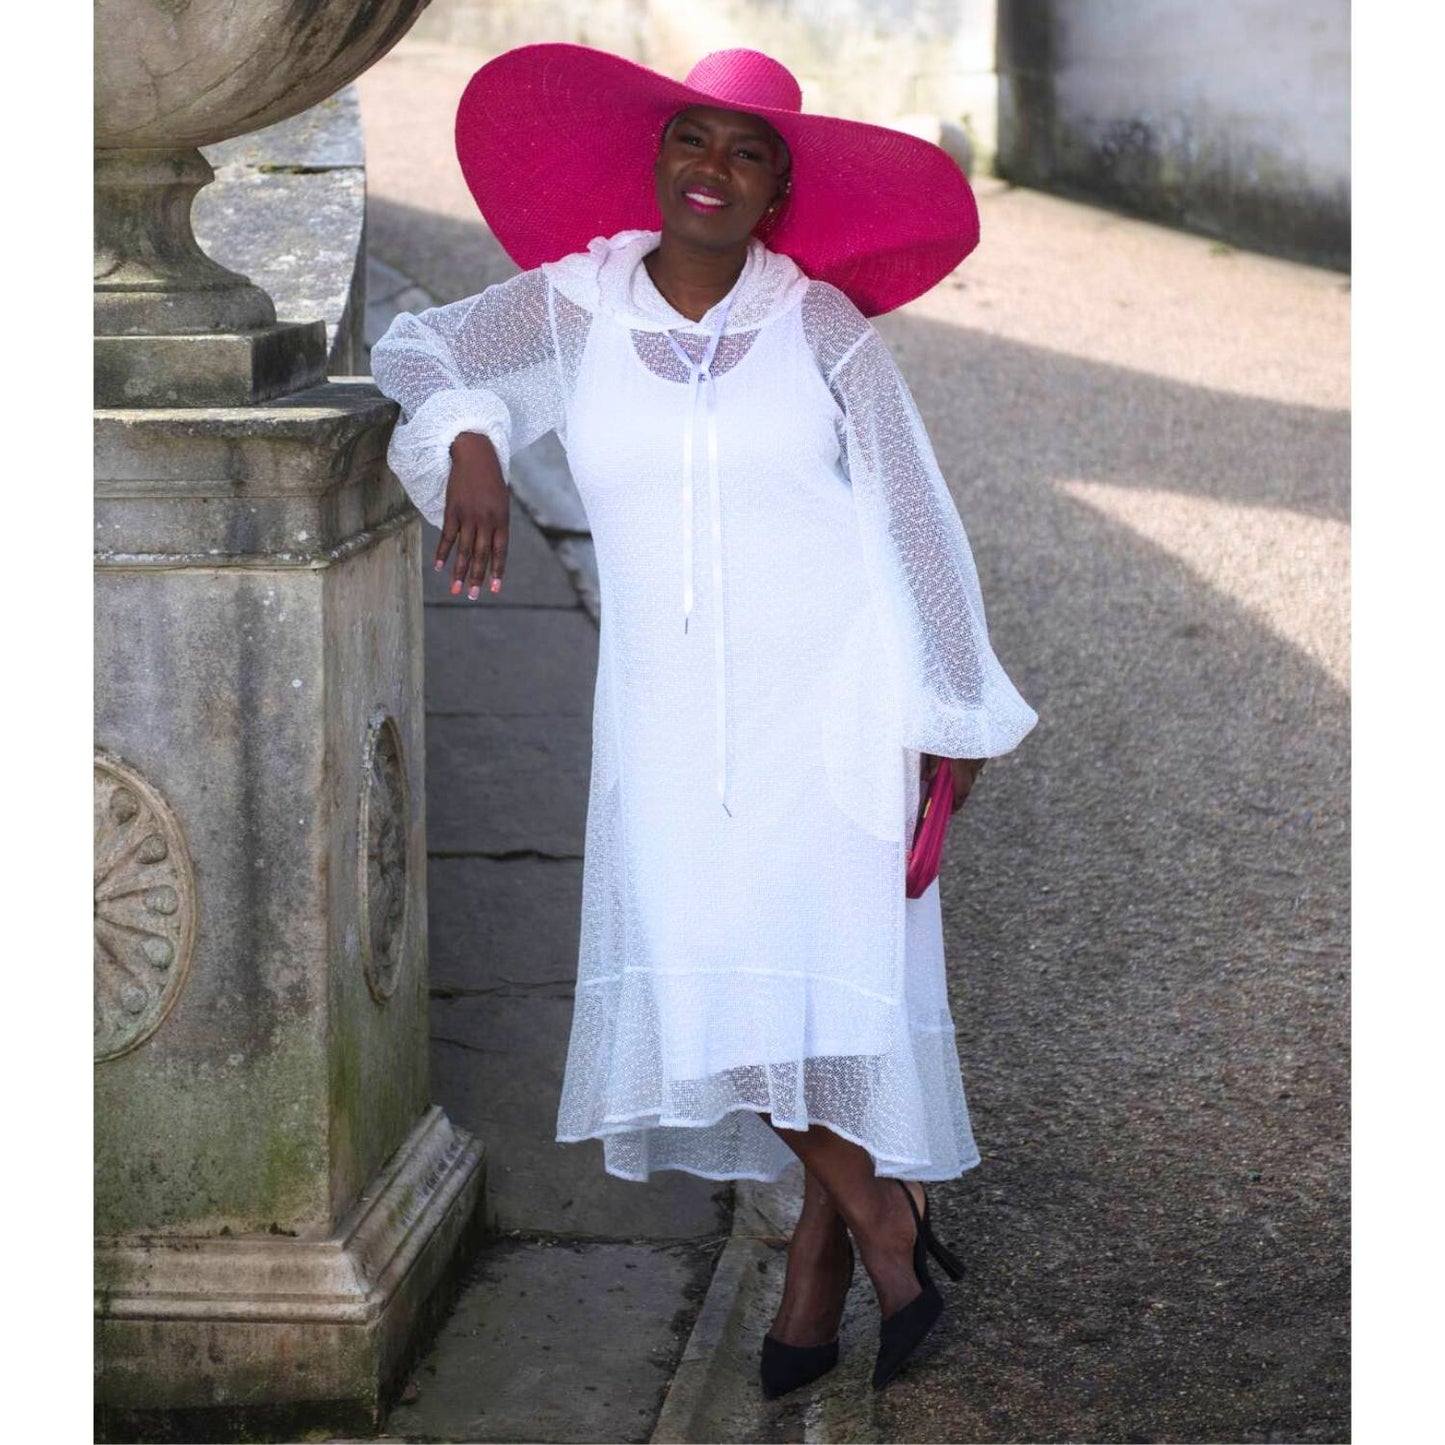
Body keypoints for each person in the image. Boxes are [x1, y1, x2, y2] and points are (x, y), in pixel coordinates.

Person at [370, 43, 1038, 1397]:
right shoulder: (575, 306)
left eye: (744, 154)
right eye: (691, 143)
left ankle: (819, 1270)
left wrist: (948, 701)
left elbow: (911, 514)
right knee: (713, 987)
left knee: (807, 986)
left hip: (830, 697)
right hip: (668, 722)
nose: (710, 173)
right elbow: (421, 349)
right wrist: (476, 443)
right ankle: (880, 1220)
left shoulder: (821, 330)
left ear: (776, 186)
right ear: (655, 159)